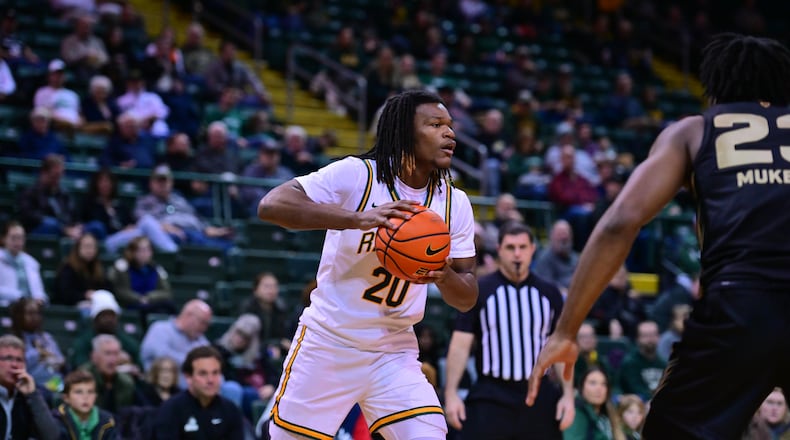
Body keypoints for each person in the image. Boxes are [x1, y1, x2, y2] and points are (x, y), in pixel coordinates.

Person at [527, 33, 790, 438]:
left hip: (741, 305)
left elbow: (620, 222)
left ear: (715, 89)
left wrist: (565, 330)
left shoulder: (695, 130)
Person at [256, 89, 478, 439]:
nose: (449, 133)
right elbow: (271, 205)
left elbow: (467, 297)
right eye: (435, 125)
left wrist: (444, 275)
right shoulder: (358, 175)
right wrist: (356, 219)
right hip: (329, 342)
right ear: (404, 131)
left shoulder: (454, 203)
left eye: (449, 125)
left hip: (393, 350)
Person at [444, 222, 574, 439]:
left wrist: (568, 394)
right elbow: (459, 345)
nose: (517, 254)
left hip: (538, 394)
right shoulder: (479, 291)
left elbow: (561, 348)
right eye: (510, 247)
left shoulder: (550, 294)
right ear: (499, 250)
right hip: (491, 393)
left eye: (523, 247)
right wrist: (451, 394)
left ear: (533, 249)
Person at [152, 346, 245, 440]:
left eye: (215, 373)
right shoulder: (171, 409)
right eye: (203, 373)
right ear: (188, 377)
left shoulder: (230, 409)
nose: (210, 380)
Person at [0, 334, 60, 440]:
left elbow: (52, 436)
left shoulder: (29, 395)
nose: (14, 365)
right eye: (8, 358)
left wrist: (33, 395)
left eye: (19, 360)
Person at [70, 289, 142, 369]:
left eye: (112, 315)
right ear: (95, 319)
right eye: (104, 315)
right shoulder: (83, 342)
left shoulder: (128, 343)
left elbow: (140, 368)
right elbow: (79, 366)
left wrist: (128, 363)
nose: (109, 320)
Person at [9, 298, 65, 392]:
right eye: (30, 313)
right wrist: (39, 354)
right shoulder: (12, 340)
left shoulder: (46, 337)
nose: (35, 317)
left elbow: (60, 360)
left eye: (38, 313)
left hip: (54, 384)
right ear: (19, 316)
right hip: (27, 385)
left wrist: (47, 357)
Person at [140, 299, 212, 370]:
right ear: (188, 315)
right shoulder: (160, 329)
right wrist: (196, 363)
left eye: (207, 324)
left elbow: (210, 362)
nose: (204, 328)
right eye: (202, 322)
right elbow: (163, 358)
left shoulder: (200, 339)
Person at [52, 370, 117, 440]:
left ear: (96, 396)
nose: (85, 397)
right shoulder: (56, 420)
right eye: (79, 392)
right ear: (66, 398)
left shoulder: (108, 420)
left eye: (90, 392)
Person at [562, 367, 625, 440]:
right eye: (592, 383)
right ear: (582, 387)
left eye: (604, 384)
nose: (599, 388)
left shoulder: (608, 413)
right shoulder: (576, 412)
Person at [52, 232, 111, 307]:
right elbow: (65, 294)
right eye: (86, 246)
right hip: (72, 307)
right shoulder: (68, 268)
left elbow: (108, 289)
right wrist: (84, 295)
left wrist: (97, 294)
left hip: (95, 304)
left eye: (92, 247)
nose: (90, 250)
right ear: (78, 248)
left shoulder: (98, 268)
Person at [0, 220, 48, 305]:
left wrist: (41, 299)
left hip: (30, 308)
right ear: (4, 239)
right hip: (5, 307)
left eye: (20, 238)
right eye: (13, 238)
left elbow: (39, 292)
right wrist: (18, 296)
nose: (17, 242)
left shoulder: (31, 262)